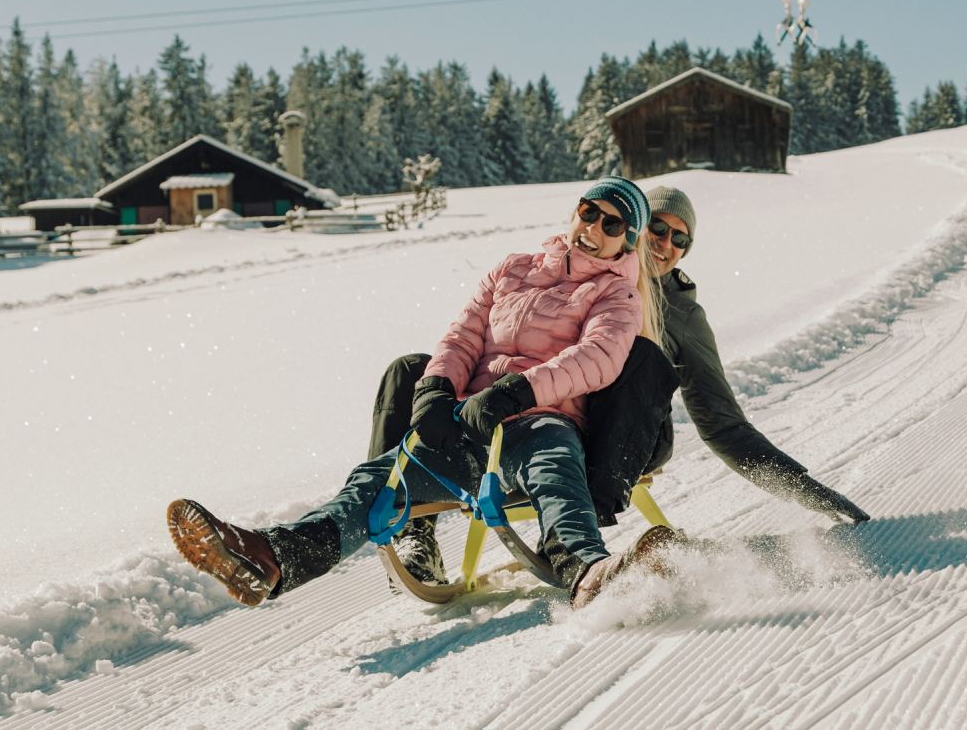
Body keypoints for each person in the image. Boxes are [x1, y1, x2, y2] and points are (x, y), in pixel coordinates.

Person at [167, 176, 679, 610]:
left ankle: (586, 569)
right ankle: (277, 556)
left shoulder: (616, 293)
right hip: (469, 421)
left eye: (612, 224)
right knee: (377, 479)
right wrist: (435, 390)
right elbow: (462, 336)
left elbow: (599, 357)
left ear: (626, 242)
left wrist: (515, 392)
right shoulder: (512, 269)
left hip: (539, 420)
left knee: (555, 472)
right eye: (589, 213)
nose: (593, 229)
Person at [377, 185, 871, 588]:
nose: (665, 244)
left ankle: (577, 527)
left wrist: (816, 497)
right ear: (633, 232)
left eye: (680, 240)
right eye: (657, 228)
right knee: (411, 371)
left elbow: (723, 424)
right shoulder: (582, 277)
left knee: (641, 357)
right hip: (542, 414)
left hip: (619, 439)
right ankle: (410, 526)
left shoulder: (681, 315)